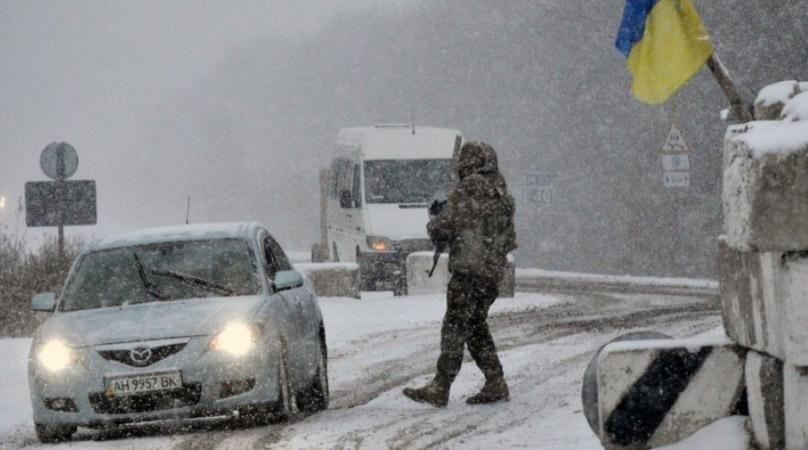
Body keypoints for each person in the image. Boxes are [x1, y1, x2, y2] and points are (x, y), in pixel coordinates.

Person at [403, 141, 517, 407]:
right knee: (475, 326)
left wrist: (436, 217)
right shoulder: (500, 191)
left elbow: (444, 226)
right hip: (491, 273)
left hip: (469, 270)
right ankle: (495, 382)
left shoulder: (469, 188)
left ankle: (441, 386)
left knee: (454, 326)